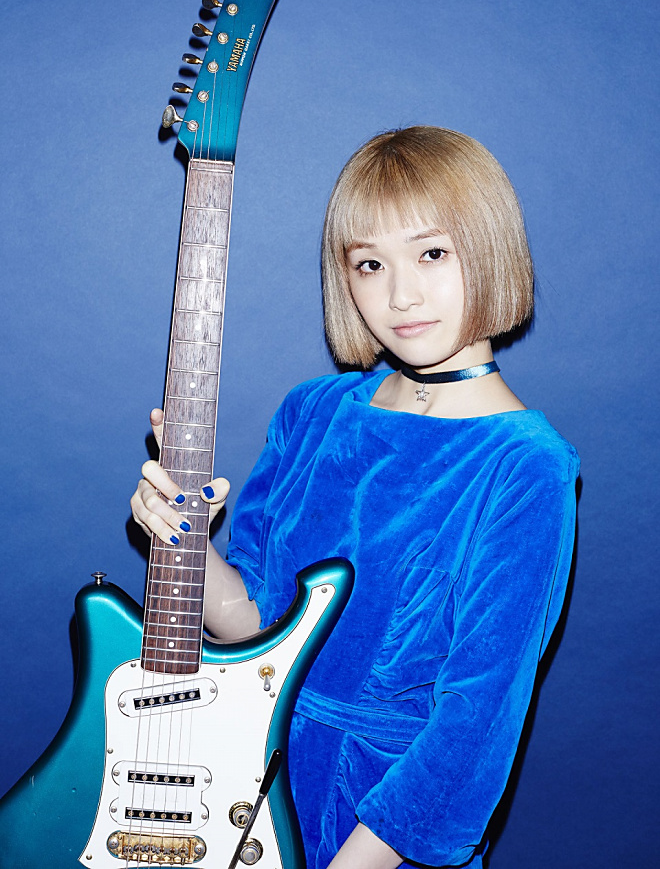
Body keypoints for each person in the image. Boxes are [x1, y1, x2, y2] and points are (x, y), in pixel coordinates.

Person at [131, 126, 579, 869]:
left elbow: (471, 733)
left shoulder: (527, 466)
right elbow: (255, 628)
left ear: (490, 249)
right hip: (245, 794)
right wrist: (183, 540)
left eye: (432, 254)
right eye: (370, 264)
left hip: (381, 831)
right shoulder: (312, 412)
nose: (400, 295)